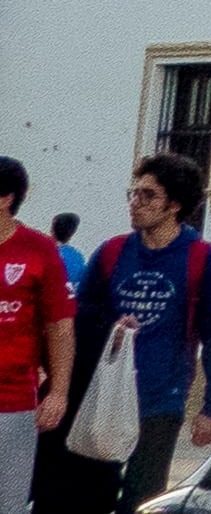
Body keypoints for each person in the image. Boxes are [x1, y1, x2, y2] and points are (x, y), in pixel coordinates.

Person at [60, 158, 211, 514]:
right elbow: (77, 317)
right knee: (90, 493)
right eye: (133, 193)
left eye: (148, 195)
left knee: (143, 499)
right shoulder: (111, 252)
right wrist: (110, 325)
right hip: (105, 393)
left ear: (175, 205)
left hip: (160, 399)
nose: (136, 202)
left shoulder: (202, 259)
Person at [0, 160, 68, 514]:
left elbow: (60, 327)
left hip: (13, 403)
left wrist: (58, 392)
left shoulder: (38, 250)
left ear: (5, 198)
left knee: (7, 504)